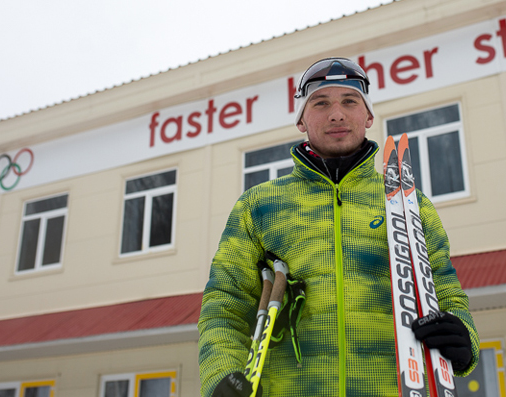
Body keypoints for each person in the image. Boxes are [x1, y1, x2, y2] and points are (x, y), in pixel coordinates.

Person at [198, 57, 479, 397]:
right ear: (302, 120)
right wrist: (221, 377)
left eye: (349, 101)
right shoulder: (259, 206)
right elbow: (225, 305)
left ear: (368, 116)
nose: (336, 114)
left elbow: (444, 290)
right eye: (321, 103)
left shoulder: (408, 204)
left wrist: (463, 335)